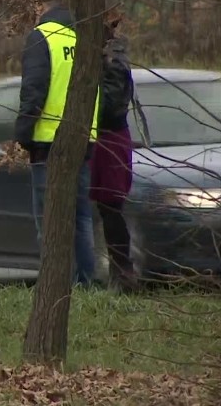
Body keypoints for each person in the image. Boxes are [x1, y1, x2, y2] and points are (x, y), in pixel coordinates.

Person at [14, 0, 100, 287]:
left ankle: (55, 285)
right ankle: (85, 282)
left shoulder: (42, 37)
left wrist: (23, 133)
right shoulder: (83, 39)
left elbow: (34, 89)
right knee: (81, 217)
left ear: (41, 6)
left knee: (49, 221)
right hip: (84, 138)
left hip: (48, 140)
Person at [90, 20, 139, 292]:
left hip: (108, 137)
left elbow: (110, 106)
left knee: (110, 208)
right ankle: (114, 271)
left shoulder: (114, 59)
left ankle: (122, 273)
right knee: (103, 209)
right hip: (102, 136)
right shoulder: (109, 56)